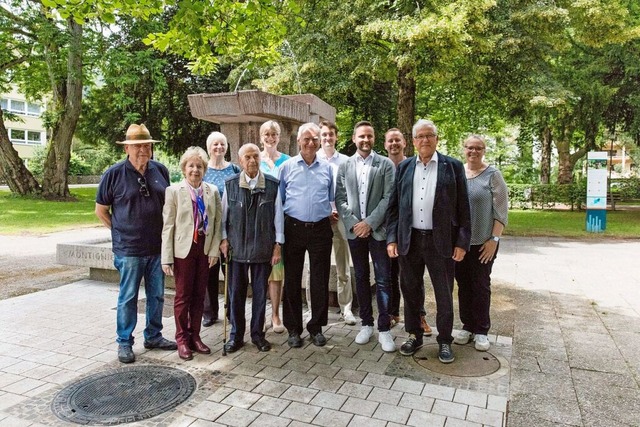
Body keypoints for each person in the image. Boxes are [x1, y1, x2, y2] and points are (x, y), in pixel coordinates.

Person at [386, 119, 471, 364]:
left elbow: (463, 207)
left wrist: (462, 243)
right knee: (410, 290)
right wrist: (392, 239)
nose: (425, 140)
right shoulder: (404, 168)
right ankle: (414, 334)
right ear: (413, 141)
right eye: (420, 136)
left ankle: (445, 340)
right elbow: (395, 208)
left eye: (429, 135)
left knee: (444, 292)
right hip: (409, 240)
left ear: (437, 138)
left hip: (441, 241)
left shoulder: (453, 167)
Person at [95, 123, 177, 364]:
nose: (143, 149)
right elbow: (101, 211)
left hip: (156, 248)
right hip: (129, 250)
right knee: (128, 296)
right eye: (137, 145)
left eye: (146, 145)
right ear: (127, 149)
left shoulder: (160, 170)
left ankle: (153, 335)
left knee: (157, 295)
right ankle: (124, 342)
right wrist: (120, 230)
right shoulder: (114, 174)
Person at [336, 121, 396, 352]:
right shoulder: (345, 166)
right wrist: (355, 225)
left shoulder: (385, 165)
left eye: (369, 136)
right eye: (361, 136)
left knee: (383, 279)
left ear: (374, 139)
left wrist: (369, 223)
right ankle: (366, 324)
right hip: (354, 233)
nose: (365, 140)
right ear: (354, 138)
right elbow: (340, 198)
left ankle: (384, 329)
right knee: (360, 277)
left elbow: (388, 197)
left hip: (378, 232)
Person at [220, 143, 285, 353]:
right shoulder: (230, 184)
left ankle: (258, 335)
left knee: (259, 295)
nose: (252, 161)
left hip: (262, 249)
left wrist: (277, 246)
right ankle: (236, 336)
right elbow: (223, 217)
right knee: (235, 294)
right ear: (240, 161)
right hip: (236, 250)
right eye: (247, 157)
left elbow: (278, 218)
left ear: (260, 158)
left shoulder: (272, 185)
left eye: (255, 156)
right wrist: (223, 239)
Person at [161, 146, 222, 360]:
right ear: (184, 169)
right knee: (183, 296)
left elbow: (216, 223)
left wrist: (214, 251)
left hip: (204, 247)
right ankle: (182, 338)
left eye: (199, 166)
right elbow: (168, 226)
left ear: (204, 169)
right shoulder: (174, 191)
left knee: (199, 295)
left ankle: (195, 336)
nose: (195, 170)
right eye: (191, 166)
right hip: (183, 250)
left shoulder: (211, 191)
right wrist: (166, 257)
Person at [280, 122, 334, 348]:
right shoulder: (288, 167)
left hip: (321, 228)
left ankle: (316, 327)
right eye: (307, 139)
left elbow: (331, 196)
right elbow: (280, 199)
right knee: (292, 278)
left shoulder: (327, 168)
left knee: (319, 278)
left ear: (320, 141)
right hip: (294, 227)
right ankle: (293, 329)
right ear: (299, 141)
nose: (311, 143)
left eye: (315, 139)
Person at [454, 135, 508, 351]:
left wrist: (494, 240)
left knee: (481, 285)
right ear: (464, 149)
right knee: (463, 285)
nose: (473, 152)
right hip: (460, 244)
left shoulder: (493, 175)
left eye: (478, 148)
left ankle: (482, 330)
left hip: (483, 243)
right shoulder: (458, 173)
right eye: (470, 148)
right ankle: (467, 326)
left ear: (484, 150)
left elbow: (501, 212)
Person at [384, 128, 433, 336]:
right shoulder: (381, 165)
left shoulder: (413, 165)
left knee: (413, 278)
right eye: (390, 141)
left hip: (411, 233)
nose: (394, 144)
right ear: (385, 145)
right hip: (385, 231)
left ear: (405, 143)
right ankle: (393, 313)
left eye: (398, 140)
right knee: (389, 275)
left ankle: (419, 316)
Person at [317, 120, 355, 325]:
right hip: (320, 219)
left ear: (336, 137)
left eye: (330, 134)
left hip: (340, 218)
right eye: (324, 135)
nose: (327, 138)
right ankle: (314, 308)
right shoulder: (313, 159)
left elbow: (352, 191)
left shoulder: (346, 161)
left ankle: (346, 308)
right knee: (315, 266)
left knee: (343, 266)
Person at [202, 132, 240, 327]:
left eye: (222, 144)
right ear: (209, 148)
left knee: (231, 272)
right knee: (209, 270)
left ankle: (232, 311)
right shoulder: (202, 170)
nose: (219, 147)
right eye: (215, 144)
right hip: (208, 229)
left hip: (231, 228)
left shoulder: (234, 169)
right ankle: (209, 312)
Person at [259, 120, 290, 333]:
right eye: (267, 134)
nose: (270, 138)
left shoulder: (287, 161)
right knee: (261, 270)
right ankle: (259, 314)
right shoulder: (254, 158)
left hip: (281, 221)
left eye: (274, 134)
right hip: (259, 224)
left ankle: (276, 315)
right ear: (261, 136)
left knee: (277, 271)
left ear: (280, 137)